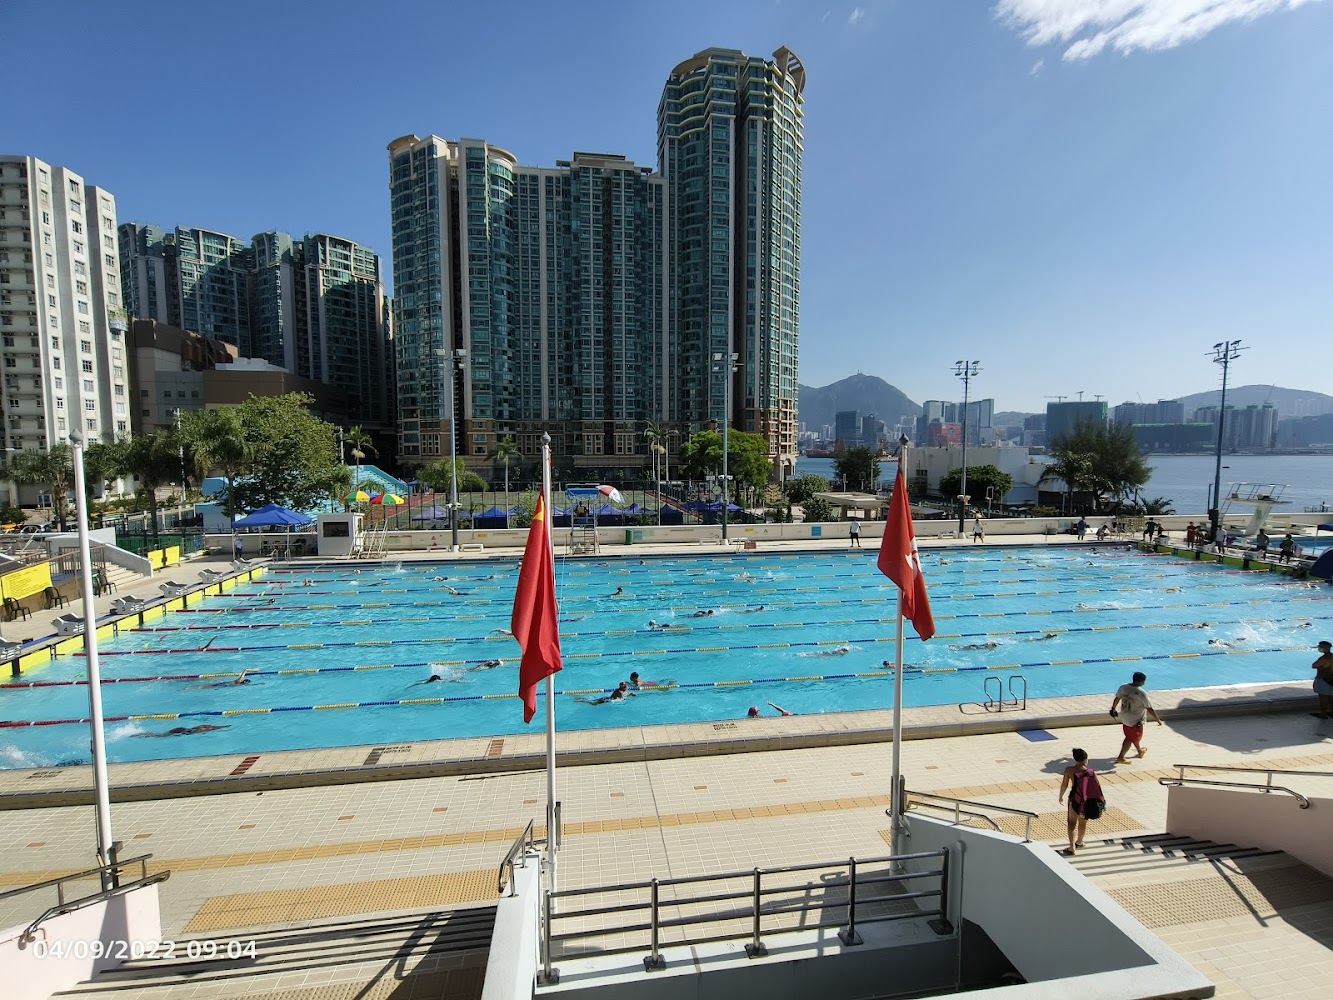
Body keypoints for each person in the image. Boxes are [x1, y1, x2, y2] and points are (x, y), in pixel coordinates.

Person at [1057, 748, 1105, 855]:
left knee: (1071, 823)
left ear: (1075, 759)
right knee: (1083, 822)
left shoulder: (1069, 770)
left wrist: (1061, 796)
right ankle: (1079, 841)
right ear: (1085, 759)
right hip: (1086, 801)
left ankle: (1071, 847)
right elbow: (1096, 787)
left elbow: (1064, 784)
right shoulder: (1091, 772)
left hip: (1074, 799)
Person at [1110, 671, 1163, 764]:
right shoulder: (1142, 693)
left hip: (1125, 717)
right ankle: (1121, 757)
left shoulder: (1123, 687)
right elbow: (1149, 708)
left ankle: (1140, 751)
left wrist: (1113, 708)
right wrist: (1158, 719)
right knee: (1130, 738)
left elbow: (1117, 698)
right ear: (1142, 681)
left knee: (1132, 736)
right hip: (1135, 720)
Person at [1311, 640, 1333, 720]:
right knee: (1331, 697)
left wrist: (1321, 667)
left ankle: (1323, 713)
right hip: (1331, 679)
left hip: (1323, 679)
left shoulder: (1324, 658)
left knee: (1323, 697)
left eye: (1320, 647)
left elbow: (1314, 665)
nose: (1319, 648)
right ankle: (1332, 712)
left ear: (1325, 648)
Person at [134, 724, 230, 738]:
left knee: (159, 735)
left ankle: (142, 734)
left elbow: (215, 727)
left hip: (182, 729)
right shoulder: (196, 730)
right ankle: (141, 734)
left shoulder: (203, 728)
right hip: (178, 730)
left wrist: (224, 727)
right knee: (159, 736)